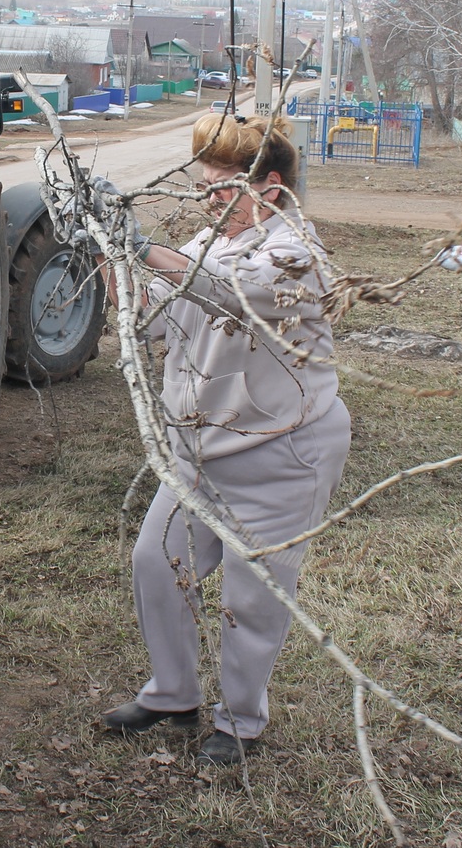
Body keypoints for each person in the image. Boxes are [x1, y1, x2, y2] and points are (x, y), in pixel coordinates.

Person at [101, 114, 351, 767]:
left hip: (282, 454)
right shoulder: (209, 243)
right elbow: (151, 315)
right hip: (199, 454)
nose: (206, 200)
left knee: (251, 599)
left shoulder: (300, 255)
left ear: (269, 188)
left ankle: (241, 721)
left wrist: (147, 247)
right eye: (202, 185)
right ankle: (173, 694)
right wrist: (108, 253)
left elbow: (232, 297)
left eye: (219, 187)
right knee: (157, 562)